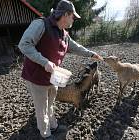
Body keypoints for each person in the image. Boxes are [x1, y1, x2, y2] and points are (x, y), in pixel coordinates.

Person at [18, 0, 103, 139]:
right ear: (65, 14)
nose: (74, 20)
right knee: (42, 108)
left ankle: (53, 126)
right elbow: (24, 44)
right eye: (73, 17)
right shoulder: (41, 24)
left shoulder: (64, 33)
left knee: (51, 103)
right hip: (36, 77)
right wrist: (44, 61)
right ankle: (45, 134)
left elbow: (76, 47)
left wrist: (92, 54)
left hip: (53, 76)